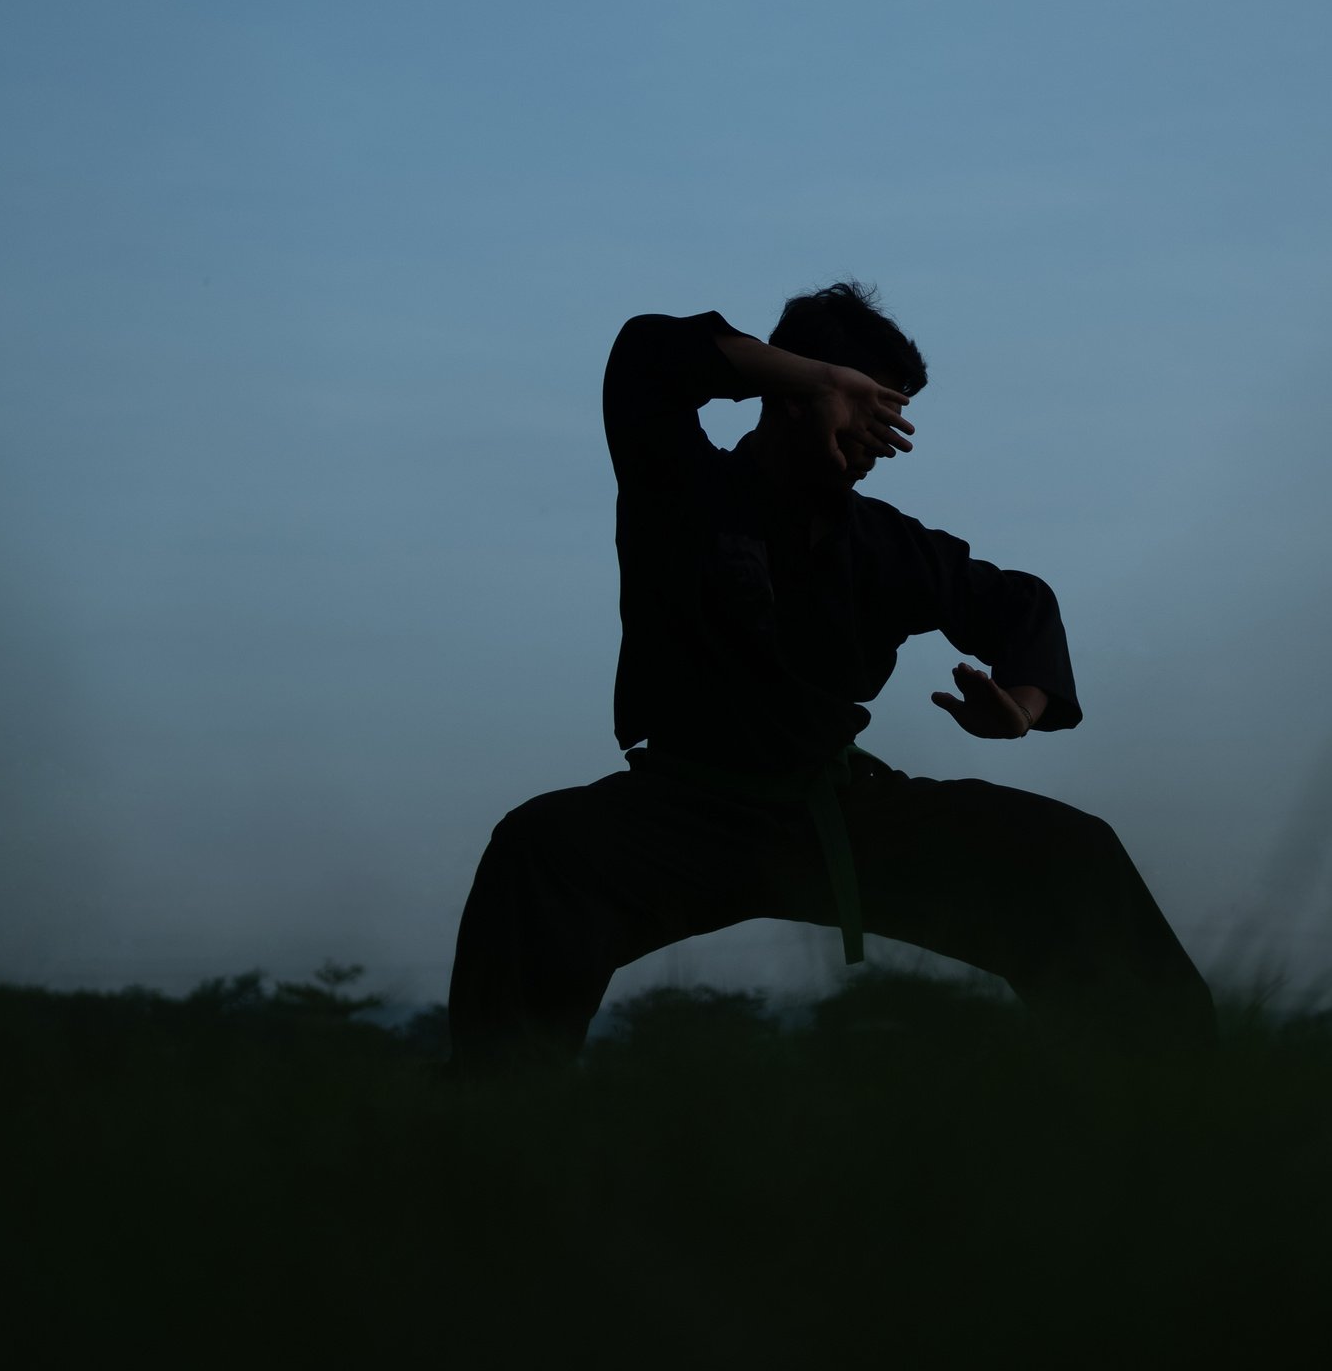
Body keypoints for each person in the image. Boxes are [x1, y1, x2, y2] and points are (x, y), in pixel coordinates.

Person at [443, 281, 1214, 1075]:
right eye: (865, 407)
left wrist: (1021, 706)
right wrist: (812, 374)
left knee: (1070, 856)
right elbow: (646, 355)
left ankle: (1170, 1104)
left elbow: (1020, 606)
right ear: (790, 391)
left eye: (895, 415)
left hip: (841, 809)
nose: (883, 437)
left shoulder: (885, 543)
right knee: (539, 851)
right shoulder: (679, 487)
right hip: (681, 812)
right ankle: (494, 1124)